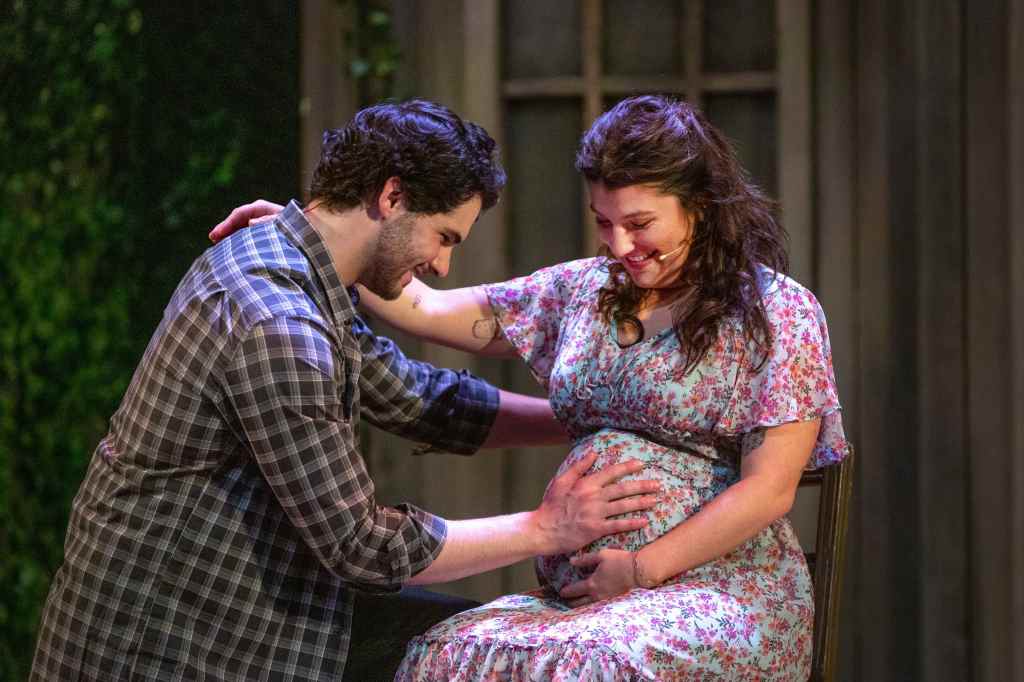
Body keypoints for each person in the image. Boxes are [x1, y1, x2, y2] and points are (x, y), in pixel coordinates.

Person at [217, 95, 850, 679]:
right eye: (604, 222)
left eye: (639, 222)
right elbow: (430, 308)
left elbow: (768, 490)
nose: (620, 245)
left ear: (701, 206)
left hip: (717, 586)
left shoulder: (775, 312)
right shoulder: (587, 290)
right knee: (446, 653)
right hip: (586, 596)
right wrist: (327, 243)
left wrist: (641, 567)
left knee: (591, 665)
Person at [29, 99, 661, 682]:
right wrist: (547, 527)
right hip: (167, 642)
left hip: (252, 607)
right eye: (444, 237)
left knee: (488, 643)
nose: (442, 266)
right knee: (496, 655)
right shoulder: (278, 322)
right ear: (392, 196)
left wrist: (584, 417)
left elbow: (415, 397)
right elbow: (364, 546)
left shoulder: (295, 267)